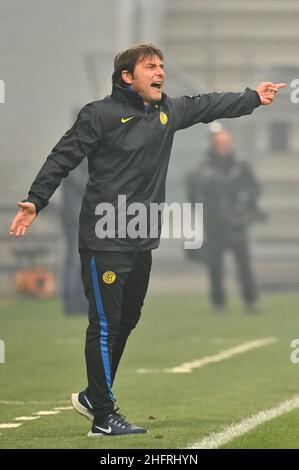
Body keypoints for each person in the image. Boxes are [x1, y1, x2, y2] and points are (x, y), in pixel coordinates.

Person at [9, 43, 285, 437]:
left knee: (127, 319)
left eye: (162, 66)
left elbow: (207, 104)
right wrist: (36, 200)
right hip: (104, 237)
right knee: (104, 324)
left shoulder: (167, 111)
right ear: (127, 76)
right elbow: (63, 157)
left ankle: (92, 395)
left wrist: (253, 97)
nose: (160, 72)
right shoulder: (98, 115)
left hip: (141, 234)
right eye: (150, 66)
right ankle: (103, 416)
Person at [186, 125, 266, 312]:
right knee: (215, 266)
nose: (223, 145)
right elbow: (195, 194)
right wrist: (205, 212)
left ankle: (251, 301)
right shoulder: (202, 168)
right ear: (212, 144)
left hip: (238, 223)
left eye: (225, 142)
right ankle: (219, 303)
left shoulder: (241, 165)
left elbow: (253, 189)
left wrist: (246, 210)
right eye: (219, 142)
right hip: (214, 225)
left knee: (244, 264)